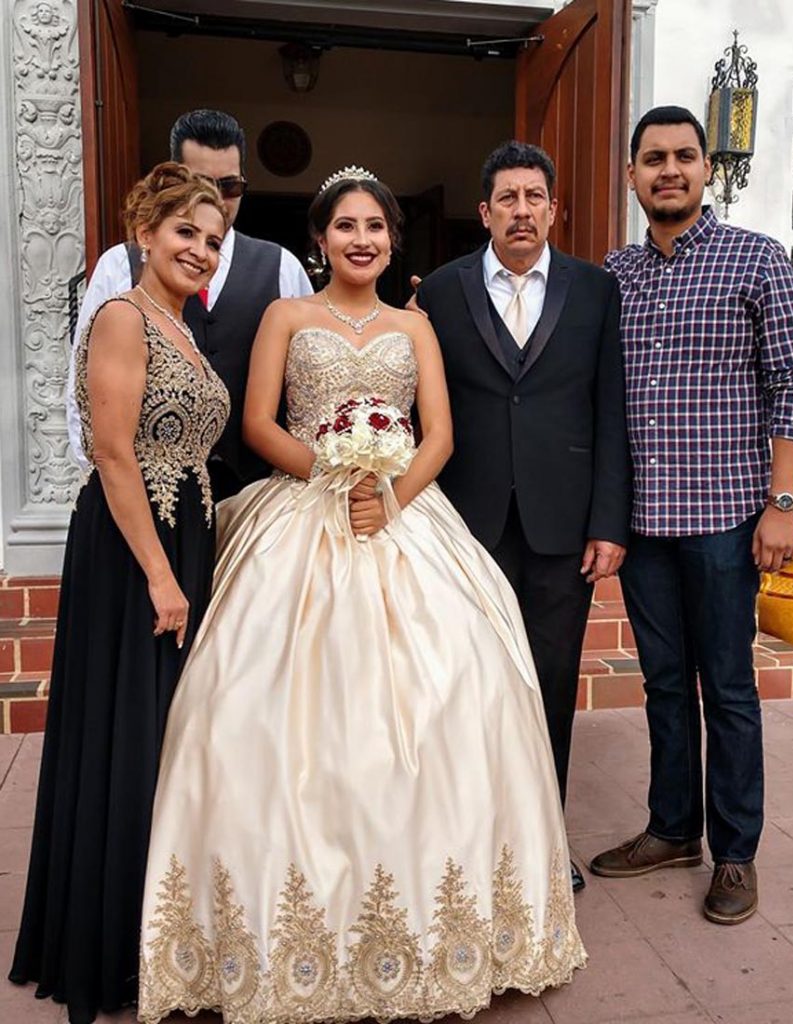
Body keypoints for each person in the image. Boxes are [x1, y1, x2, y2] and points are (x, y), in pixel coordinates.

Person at [136, 168, 586, 1024]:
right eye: (345, 225)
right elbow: (260, 424)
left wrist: (391, 493)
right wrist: (335, 476)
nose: (361, 239)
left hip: (406, 515)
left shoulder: (415, 327)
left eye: (375, 225)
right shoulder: (285, 316)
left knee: (463, 688)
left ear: (392, 239)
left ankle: (444, 928)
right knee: (254, 708)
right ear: (321, 237)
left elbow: (441, 434)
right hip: (303, 512)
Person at [9, 164, 230, 1022]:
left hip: (181, 540)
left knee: (167, 740)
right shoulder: (121, 316)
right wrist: (162, 576)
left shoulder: (179, 326)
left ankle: (162, 938)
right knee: (130, 737)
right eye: (185, 233)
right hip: (135, 552)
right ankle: (110, 949)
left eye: (211, 240)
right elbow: (111, 452)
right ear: (144, 233)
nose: (200, 251)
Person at [590, 107, 793, 925]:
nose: (670, 170)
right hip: (646, 523)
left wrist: (781, 503)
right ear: (632, 175)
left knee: (726, 688)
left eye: (685, 156)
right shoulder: (612, 275)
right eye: (653, 158)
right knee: (660, 685)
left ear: (706, 169)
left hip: (726, 517)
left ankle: (735, 854)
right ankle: (672, 828)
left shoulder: (754, 261)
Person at [415, 141, 632, 893]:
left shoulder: (596, 292)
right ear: (484, 212)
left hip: (561, 527)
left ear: (554, 208)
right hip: (464, 525)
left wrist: (609, 523)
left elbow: (612, 412)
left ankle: (542, 843)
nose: (521, 210)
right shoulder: (439, 294)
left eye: (534, 197)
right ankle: (468, 843)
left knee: (549, 680)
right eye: (506, 198)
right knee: (465, 684)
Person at [67, 108, 312, 501]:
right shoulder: (120, 265)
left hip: (257, 496)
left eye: (229, 185)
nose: (216, 198)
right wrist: (103, 483)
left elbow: (306, 384)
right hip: (146, 496)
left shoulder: (282, 266)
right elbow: (82, 393)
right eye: (202, 183)